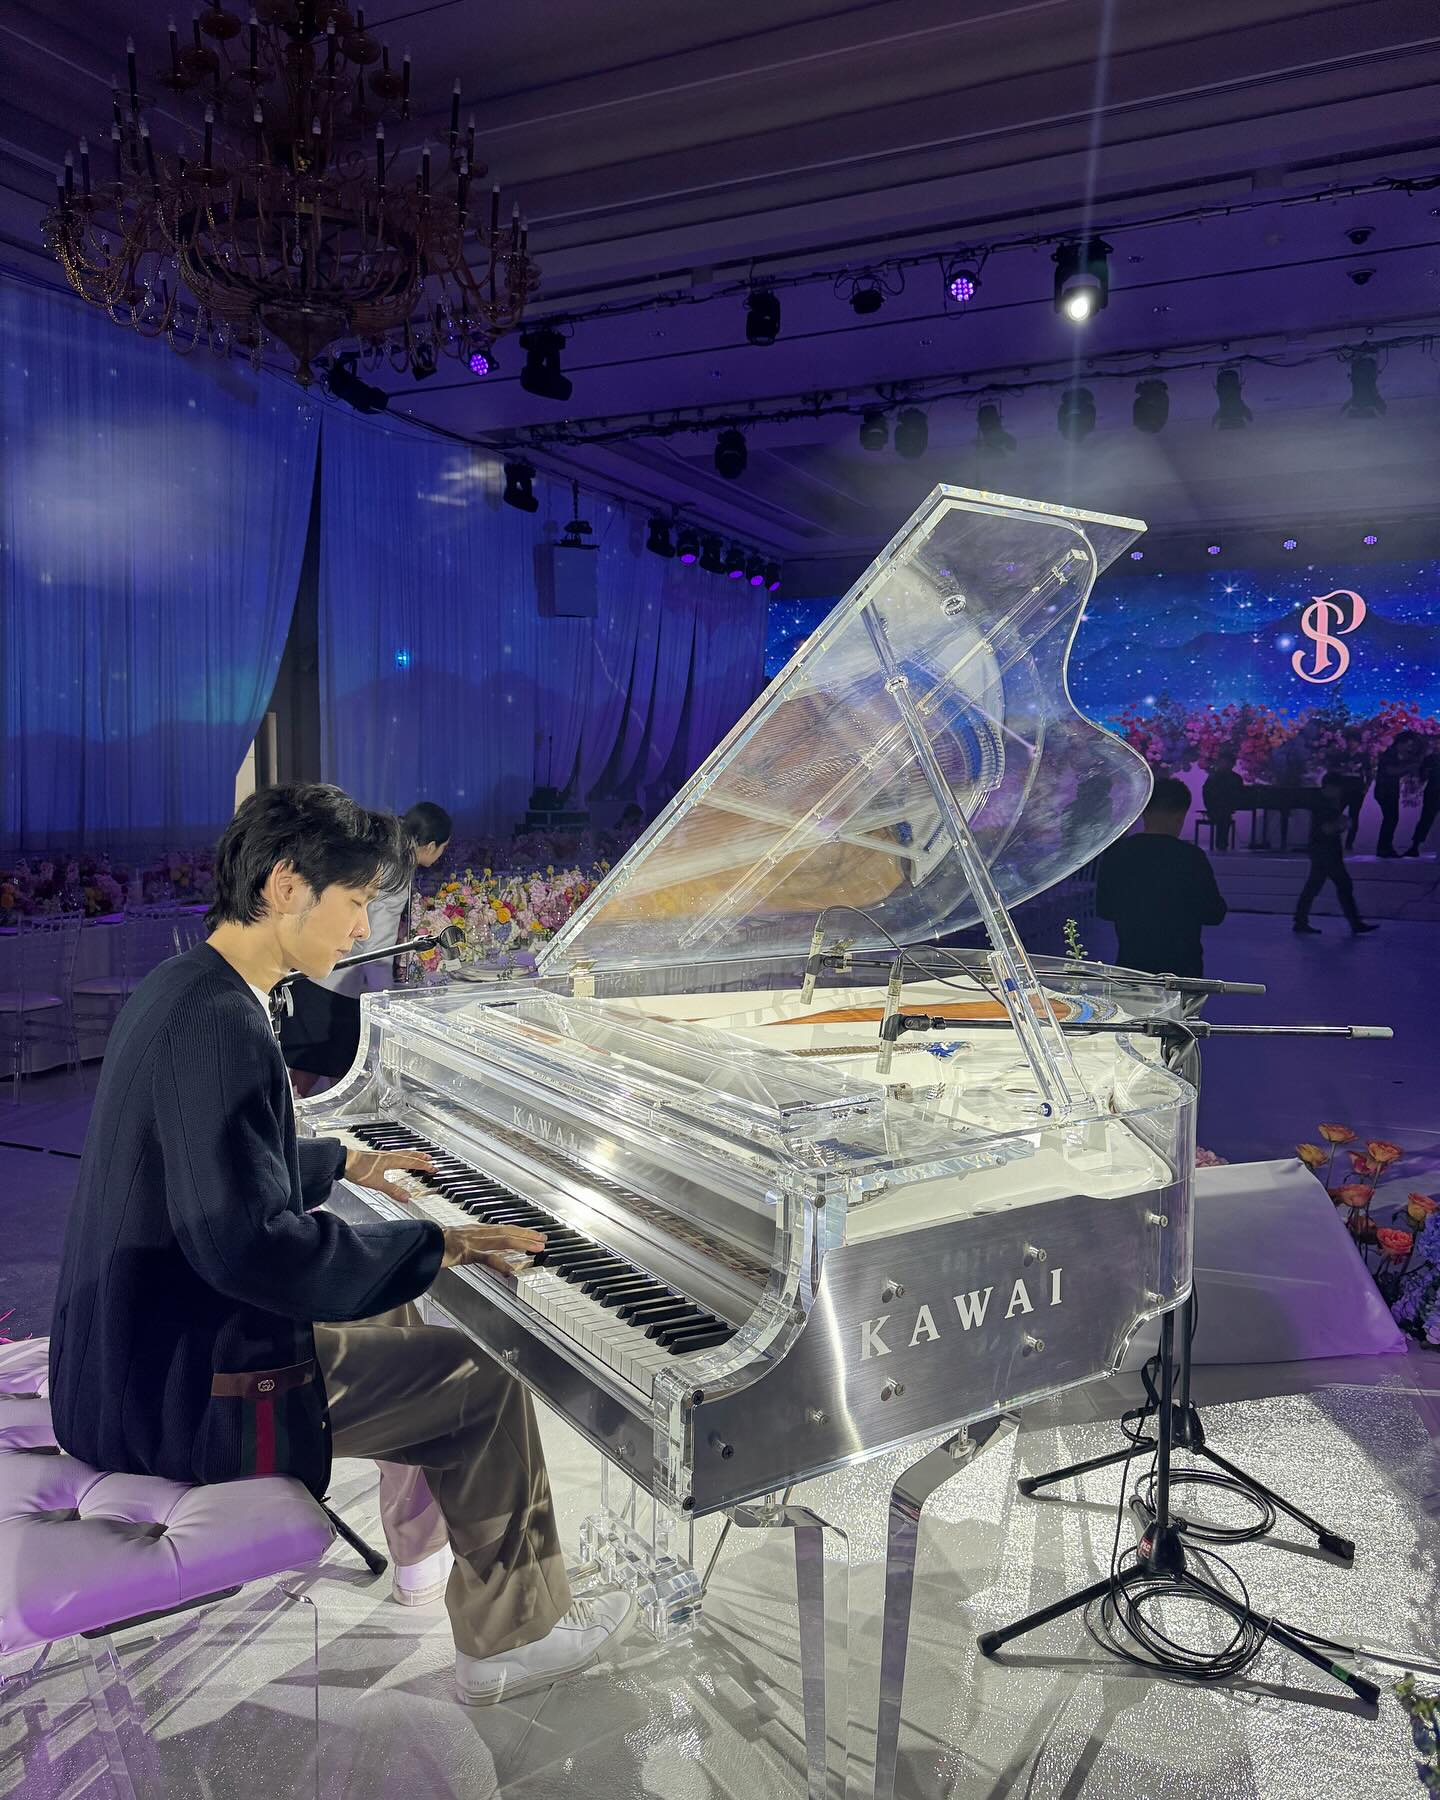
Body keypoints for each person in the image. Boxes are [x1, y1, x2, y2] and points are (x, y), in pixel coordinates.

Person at [48, 785, 631, 1705]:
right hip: (175, 1399)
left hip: (124, 1357)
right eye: (354, 901)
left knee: (395, 1315)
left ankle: (424, 1561)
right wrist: (435, 1243)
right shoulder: (225, 1023)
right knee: (482, 1382)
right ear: (286, 886)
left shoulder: (186, 986)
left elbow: (214, 1167)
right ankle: (509, 1643)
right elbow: (248, 1249)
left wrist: (344, 1162)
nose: (363, 928)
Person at [280, 800, 453, 1090]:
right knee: (339, 1071)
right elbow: (377, 947)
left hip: (313, 968)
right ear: (430, 846)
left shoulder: (378, 852)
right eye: (443, 848)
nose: (441, 854)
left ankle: (294, 1113)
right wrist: (385, 1002)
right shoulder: (395, 872)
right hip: (337, 980)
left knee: (307, 1065)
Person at [1096, 777, 1228, 977]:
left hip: (1131, 965)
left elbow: (1104, 909)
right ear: (1180, 816)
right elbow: (1214, 913)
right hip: (1182, 968)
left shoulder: (1118, 853)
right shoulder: (1191, 857)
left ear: (1142, 811)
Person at [1294, 771, 1379, 936]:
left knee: (1316, 886)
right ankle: (1354, 923)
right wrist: (1343, 824)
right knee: (1341, 885)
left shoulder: (1324, 802)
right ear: (1330, 787)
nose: (1341, 791)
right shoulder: (1324, 805)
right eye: (1339, 788)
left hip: (1324, 851)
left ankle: (1300, 920)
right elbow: (1326, 829)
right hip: (1326, 852)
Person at [1374, 730, 1426, 858]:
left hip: (1388, 790)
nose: (1409, 748)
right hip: (1385, 791)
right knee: (1391, 819)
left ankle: (1385, 847)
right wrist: (1409, 768)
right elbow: (1391, 771)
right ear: (1400, 743)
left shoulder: (1394, 754)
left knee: (1391, 819)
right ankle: (1384, 848)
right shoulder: (1390, 754)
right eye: (1408, 745)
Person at [1331, 726, 1372, 851]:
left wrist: (1366, 788)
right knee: (1335, 814)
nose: (1351, 744)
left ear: (1358, 743)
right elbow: (1332, 770)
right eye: (1349, 741)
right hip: (1342, 789)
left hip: (1357, 790)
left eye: (1354, 741)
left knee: (1354, 816)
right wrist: (1343, 769)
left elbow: (1369, 773)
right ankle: (1334, 840)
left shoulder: (1363, 757)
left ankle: (1349, 843)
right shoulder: (1340, 756)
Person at [1201, 750, 1246, 851]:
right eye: (1223, 761)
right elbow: (1206, 793)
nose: (1225, 764)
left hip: (1227, 808)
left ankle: (1222, 843)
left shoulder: (1236, 778)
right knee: (1223, 816)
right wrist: (1210, 807)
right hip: (1214, 807)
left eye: (1228, 762)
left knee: (1224, 815)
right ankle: (1222, 843)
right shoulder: (1214, 776)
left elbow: (1239, 794)